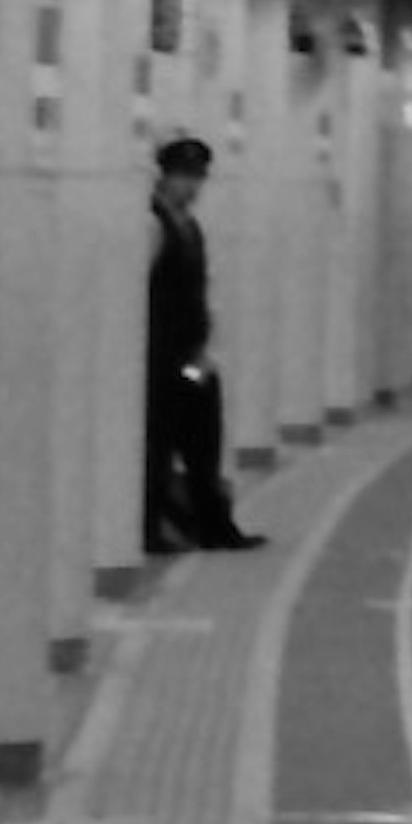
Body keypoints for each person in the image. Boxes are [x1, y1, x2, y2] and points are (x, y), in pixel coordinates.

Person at [143, 134, 264, 551]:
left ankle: (213, 524)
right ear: (163, 177)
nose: (192, 187)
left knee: (202, 439)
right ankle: (153, 527)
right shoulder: (153, 224)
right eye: (183, 177)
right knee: (157, 445)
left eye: (197, 178)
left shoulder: (188, 226)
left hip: (190, 356)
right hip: (160, 358)